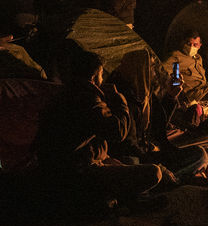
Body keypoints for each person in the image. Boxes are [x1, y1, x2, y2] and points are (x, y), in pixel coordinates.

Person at [34, 47, 164, 208]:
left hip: (76, 165)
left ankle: (122, 198)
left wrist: (109, 160)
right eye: (102, 74)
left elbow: (88, 142)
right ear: (95, 76)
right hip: (76, 173)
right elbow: (119, 133)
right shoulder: (87, 99)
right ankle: (118, 200)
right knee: (154, 172)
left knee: (128, 165)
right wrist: (120, 100)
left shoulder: (67, 93)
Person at [160, 29, 208, 140]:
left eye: (195, 45)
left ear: (200, 45)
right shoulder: (176, 58)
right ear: (183, 43)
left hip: (207, 90)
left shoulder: (198, 58)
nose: (191, 47)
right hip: (198, 96)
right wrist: (174, 82)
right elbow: (163, 71)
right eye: (189, 44)